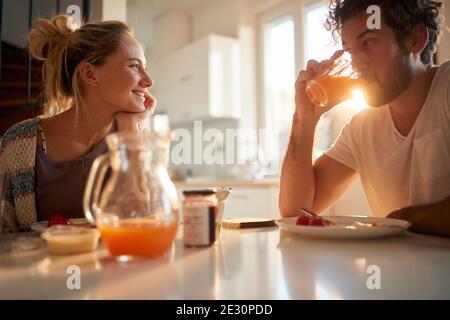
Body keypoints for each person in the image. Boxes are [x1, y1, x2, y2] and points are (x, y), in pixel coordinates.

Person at [279, 0, 450, 237]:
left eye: (369, 41)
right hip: (395, 273)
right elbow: (295, 211)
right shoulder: (362, 127)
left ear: (416, 39)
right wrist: (304, 119)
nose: (357, 63)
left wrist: (400, 220)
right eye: (349, 50)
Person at [0, 15, 155, 231]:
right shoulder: (18, 142)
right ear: (89, 74)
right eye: (134, 66)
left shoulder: (135, 138)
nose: (148, 80)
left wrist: (130, 130)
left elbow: (147, 223)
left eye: (144, 67)